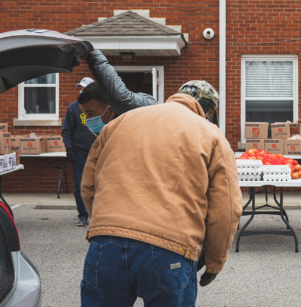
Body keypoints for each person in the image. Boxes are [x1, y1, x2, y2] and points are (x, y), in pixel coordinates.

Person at [79, 80, 241, 307]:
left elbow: (88, 186)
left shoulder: (119, 123)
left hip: (106, 244)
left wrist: (103, 227)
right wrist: (215, 260)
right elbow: (227, 208)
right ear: (210, 110)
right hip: (170, 247)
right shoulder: (210, 134)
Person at [61, 77, 97, 227]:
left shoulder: (99, 107)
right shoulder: (73, 108)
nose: (81, 91)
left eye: (83, 88)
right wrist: (69, 148)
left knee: (99, 184)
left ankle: (97, 214)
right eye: (80, 88)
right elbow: (66, 130)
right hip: (79, 151)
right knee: (80, 185)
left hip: (97, 151)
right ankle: (83, 215)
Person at [82, 50, 157, 115]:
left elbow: (123, 97)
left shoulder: (150, 108)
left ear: (110, 110)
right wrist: (90, 60)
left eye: (90, 113)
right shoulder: (114, 124)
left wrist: (92, 56)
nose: (87, 119)